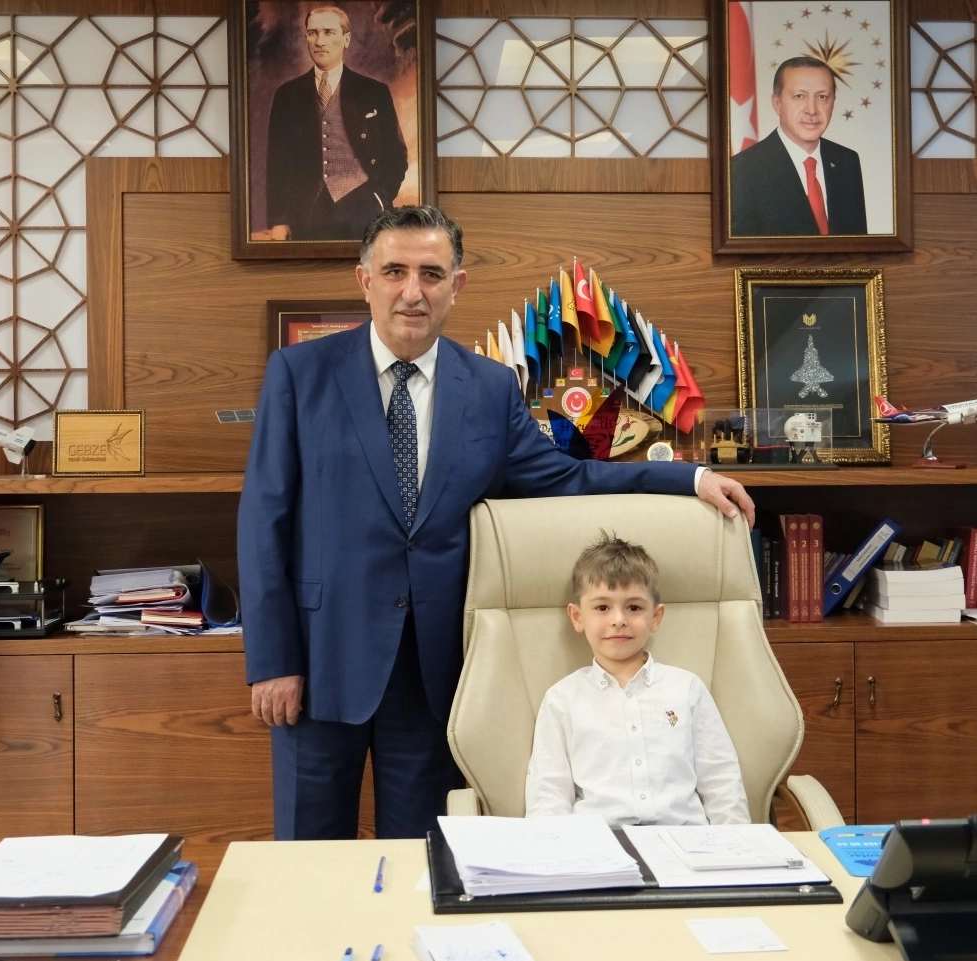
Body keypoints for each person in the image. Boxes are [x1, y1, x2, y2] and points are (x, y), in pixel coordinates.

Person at [238, 204, 756, 841]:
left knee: (423, 859)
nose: (412, 291)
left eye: (431, 274)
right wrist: (272, 659)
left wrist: (687, 478)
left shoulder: (488, 387)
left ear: (456, 285)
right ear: (364, 280)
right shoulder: (300, 374)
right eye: (395, 271)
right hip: (320, 660)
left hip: (434, 670)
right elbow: (264, 521)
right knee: (308, 859)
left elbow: (567, 478)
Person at [524, 532, 749, 825]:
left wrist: (736, 844)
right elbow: (548, 793)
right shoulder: (562, 699)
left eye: (634, 607)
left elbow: (721, 779)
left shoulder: (686, 688)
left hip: (686, 839)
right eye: (602, 607)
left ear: (655, 617)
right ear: (578, 617)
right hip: (602, 843)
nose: (619, 619)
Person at [260, 5, 408, 242]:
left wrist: (380, 199)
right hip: (306, 215)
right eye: (313, 33)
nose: (319, 41)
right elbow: (277, 164)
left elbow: (396, 155)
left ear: (346, 39)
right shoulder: (287, 95)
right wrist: (279, 219)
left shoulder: (374, 92)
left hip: (364, 212)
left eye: (328, 32)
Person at [730, 56, 868, 237]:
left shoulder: (847, 161)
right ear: (777, 103)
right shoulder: (742, 169)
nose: (812, 110)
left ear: (833, 102)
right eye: (799, 96)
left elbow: (858, 245)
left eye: (822, 97)